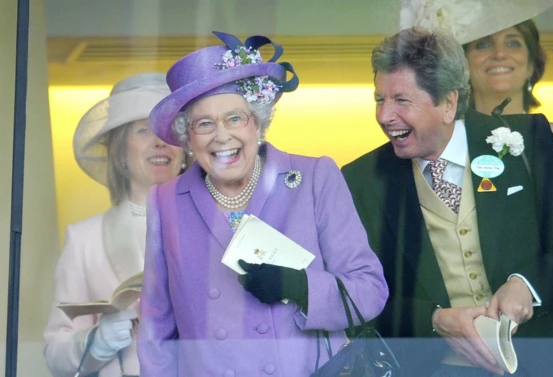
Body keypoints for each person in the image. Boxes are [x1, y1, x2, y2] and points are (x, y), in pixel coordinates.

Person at [342, 27, 553, 376]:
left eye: (401, 100)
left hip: (548, 363)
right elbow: (359, 297)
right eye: (379, 100)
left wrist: (527, 285)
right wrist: (434, 319)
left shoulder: (528, 140)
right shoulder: (363, 178)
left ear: (449, 102)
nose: (384, 116)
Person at [137, 31, 388, 377]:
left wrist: (300, 287)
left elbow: (369, 292)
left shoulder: (314, 178)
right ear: (188, 137)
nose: (222, 135)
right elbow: (156, 329)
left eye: (235, 118)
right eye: (204, 124)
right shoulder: (166, 202)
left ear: (258, 122)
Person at [400, 0, 553, 367]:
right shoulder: (432, 148)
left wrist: (527, 284)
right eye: (483, 43)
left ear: (534, 61)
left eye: (514, 42)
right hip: (456, 351)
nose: (499, 53)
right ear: (461, 65)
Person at [43, 73, 185, 377]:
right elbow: (55, 351)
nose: (160, 142)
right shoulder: (85, 239)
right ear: (121, 150)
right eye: (144, 130)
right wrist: (97, 342)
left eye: (168, 130)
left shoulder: (216, 228)